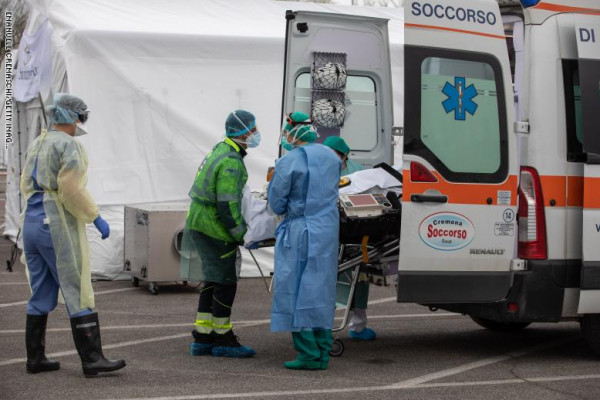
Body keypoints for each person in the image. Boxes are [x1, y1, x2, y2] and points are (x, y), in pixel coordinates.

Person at [20, 93, 126, 376]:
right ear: (74, 116)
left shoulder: (38, 142)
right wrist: (95, 216)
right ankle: (92, 360)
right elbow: (71, 189)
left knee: (41, 290)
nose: (82, 121)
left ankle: (35, 359)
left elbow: (24, 183)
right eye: (82, 116)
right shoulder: (69, 146)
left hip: (30, 223)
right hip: (54, 226)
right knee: (77, 287)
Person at [181, 110, 260, 358]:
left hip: (199, 222)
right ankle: (223, 338)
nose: (256, 133)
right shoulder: (231, 162)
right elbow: (227, 204)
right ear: (243, 132)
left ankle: (203, 336)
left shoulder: (220, 149)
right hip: (214, 228)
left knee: (212, 279)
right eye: (253, 129)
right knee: (225, 282)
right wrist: (240, 233)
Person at [268, 111, 341, 370]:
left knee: (295, 289)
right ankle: (323, 351)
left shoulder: (288, 162)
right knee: (320, 289)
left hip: (300, 231)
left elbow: (276, 203)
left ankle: (308, 354)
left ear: (292, 132)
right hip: (327, 231)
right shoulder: (332, 157)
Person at [323, 136, 376, 341]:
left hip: (354, 230)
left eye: (334, 155)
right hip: (330, 232)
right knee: (330, 281)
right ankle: (324, 327)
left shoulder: (357, 172)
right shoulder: (321, 170)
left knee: (360, 279)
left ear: (344, 156)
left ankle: (359, 325)